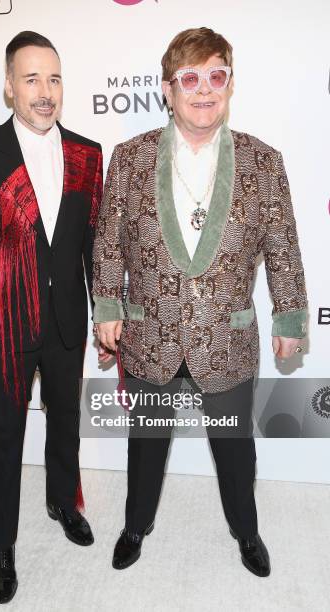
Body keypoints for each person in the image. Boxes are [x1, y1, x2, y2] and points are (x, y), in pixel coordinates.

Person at [92, 27, 308, 577]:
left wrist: (288, 317)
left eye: (218, 75)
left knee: (235, 450)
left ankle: (246, 532)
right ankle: (135, 526)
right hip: (150, 336)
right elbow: (109, 241)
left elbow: (282, 246)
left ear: (230, 84)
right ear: (168, 89)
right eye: (190, 78)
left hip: (227, 337)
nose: (204, 89)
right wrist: (109, 309)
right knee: (146, 445)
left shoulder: (263, 162)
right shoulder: (130, 158)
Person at [0, 31, 104, 603]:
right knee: (4, 438)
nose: (45, 92)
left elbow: (93, 245)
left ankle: (64, 502)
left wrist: (103, 313)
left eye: (54, 78)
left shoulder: (88, 153)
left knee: (65, 425)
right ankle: (3, 546)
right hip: (3, 327)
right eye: (32, 79)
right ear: (10, 87)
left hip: (66, 323)